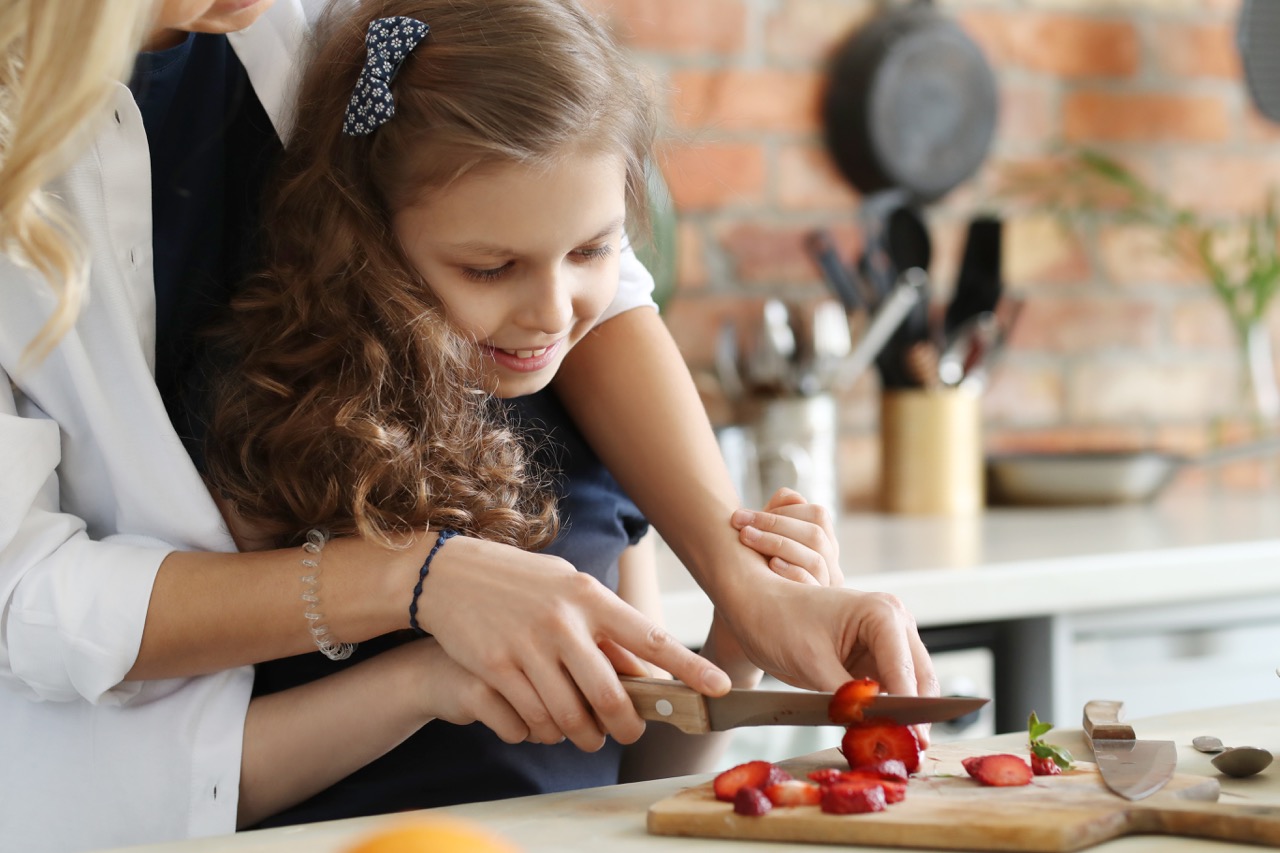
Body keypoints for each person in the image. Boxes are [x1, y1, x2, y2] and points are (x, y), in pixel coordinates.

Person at [0, 0, 934, 849]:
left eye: (593, 251)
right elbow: (78, 653)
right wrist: (420, 606)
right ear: (372, 242)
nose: (553, 311)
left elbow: (638, 766)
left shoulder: (577, 425)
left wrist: (739, 606)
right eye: (489, 269)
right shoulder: (270, 450)